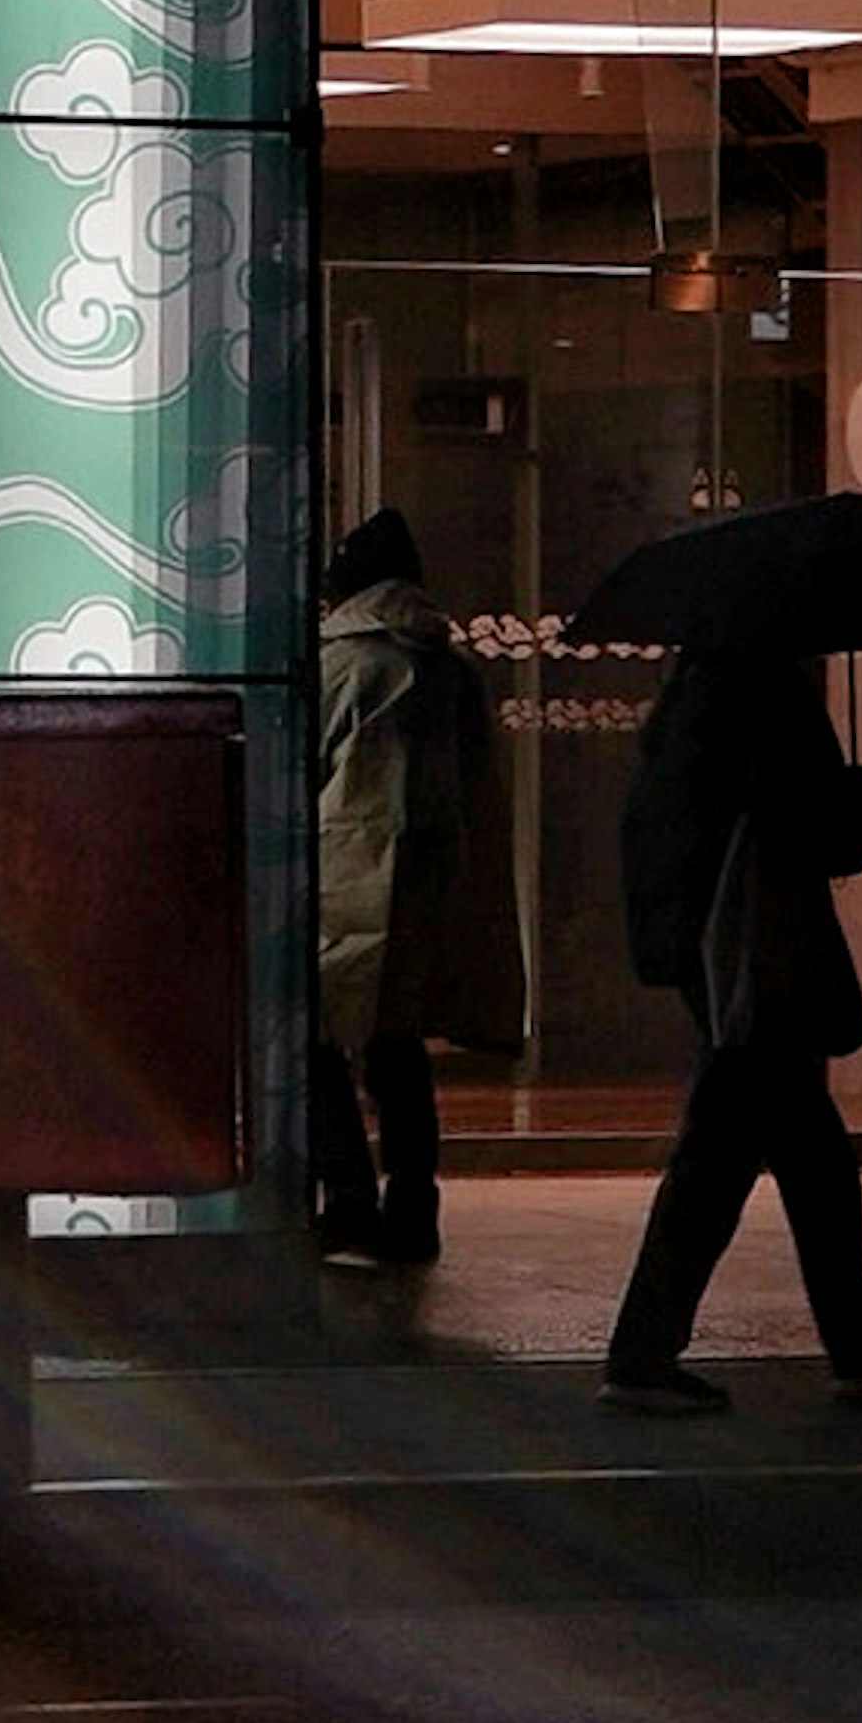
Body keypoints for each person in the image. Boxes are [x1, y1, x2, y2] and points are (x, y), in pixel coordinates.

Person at [598, 643, 862, 1410]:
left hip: (718, 945)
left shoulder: (694, 690)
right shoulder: (763, 687)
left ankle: (851, 1333)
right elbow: (824, 828)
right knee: (729, 1150)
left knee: (796, 1146)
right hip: (756, 949)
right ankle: (645, 1352)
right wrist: (856, 795)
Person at [310, 507, 523, 1269]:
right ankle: (413, 1207)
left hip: (336, 883)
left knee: (319, 1045)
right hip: (430, 884)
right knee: (399, 1053)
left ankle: (347, 1202)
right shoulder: (449, 669)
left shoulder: (338, 666)